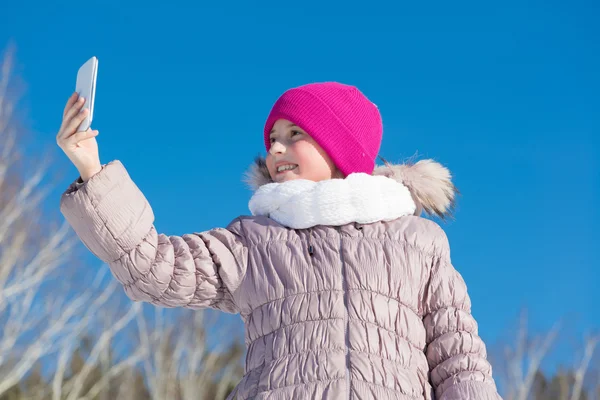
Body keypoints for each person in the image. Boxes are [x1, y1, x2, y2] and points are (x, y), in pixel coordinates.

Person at [57, 82, 502, 399]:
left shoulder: (417, 242)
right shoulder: (256, 241)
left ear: (341, 149)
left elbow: (458, 357)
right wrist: (93, 173)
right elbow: (154, 265)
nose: (276, 149)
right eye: (272, 138)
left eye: (295, 136)